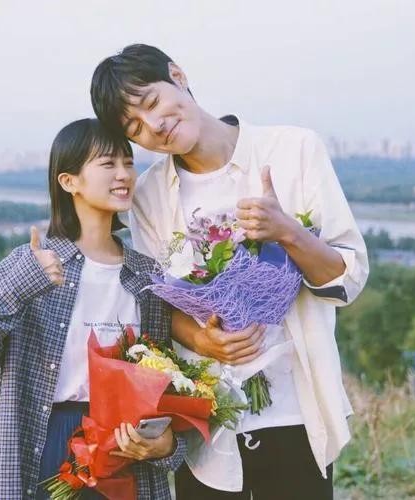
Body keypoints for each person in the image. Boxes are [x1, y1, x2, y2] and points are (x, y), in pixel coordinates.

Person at [91, 44, 369, 499]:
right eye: (135, 127)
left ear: (178, 76)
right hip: (207, 423)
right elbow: (154, 302)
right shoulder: (150, 195)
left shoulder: (294, 151)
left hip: (298, 412)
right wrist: (202, 340)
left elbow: (347, 278)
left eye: (152, 103)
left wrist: (287, 232)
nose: (153, 125)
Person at [0, 118, 186, 499]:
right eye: (107, 164)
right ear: (69, 181)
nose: (123, 174)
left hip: (126, 446)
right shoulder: (30, 264)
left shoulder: (147, 276)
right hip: (48, 440)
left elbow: (169, 385)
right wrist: (22, 283)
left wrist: (168, 447)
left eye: (128, 162)